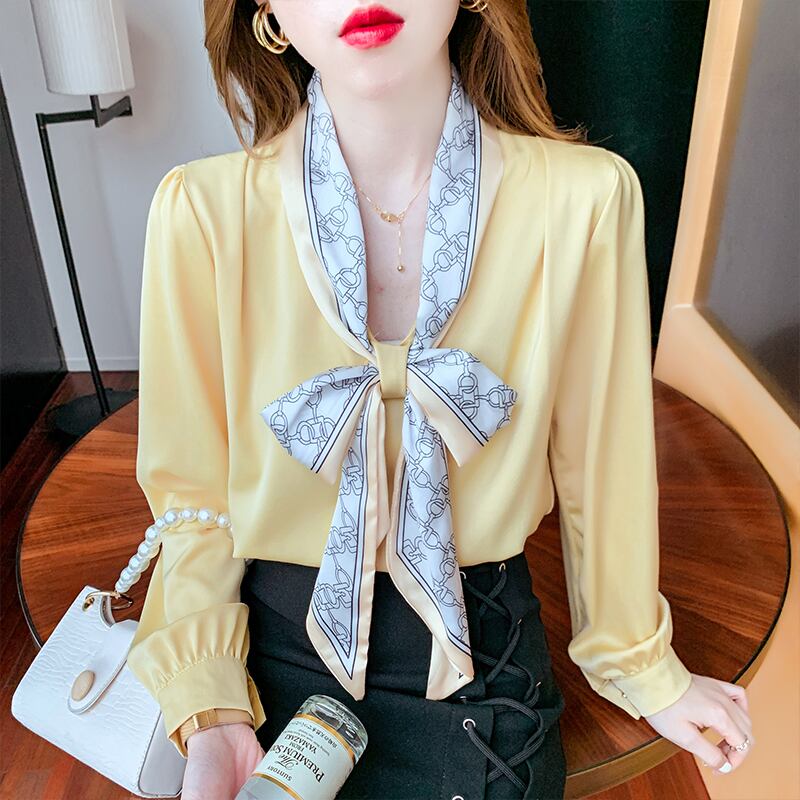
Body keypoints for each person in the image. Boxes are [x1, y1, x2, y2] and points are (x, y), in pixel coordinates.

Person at [125, 1, 755, 798]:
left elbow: (605, 467)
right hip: (268, 660)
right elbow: (194, 501)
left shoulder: (585, 201)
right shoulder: (201, 212)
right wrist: (212, 709)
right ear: (268, 13)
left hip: (483, 660)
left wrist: (639, 660)